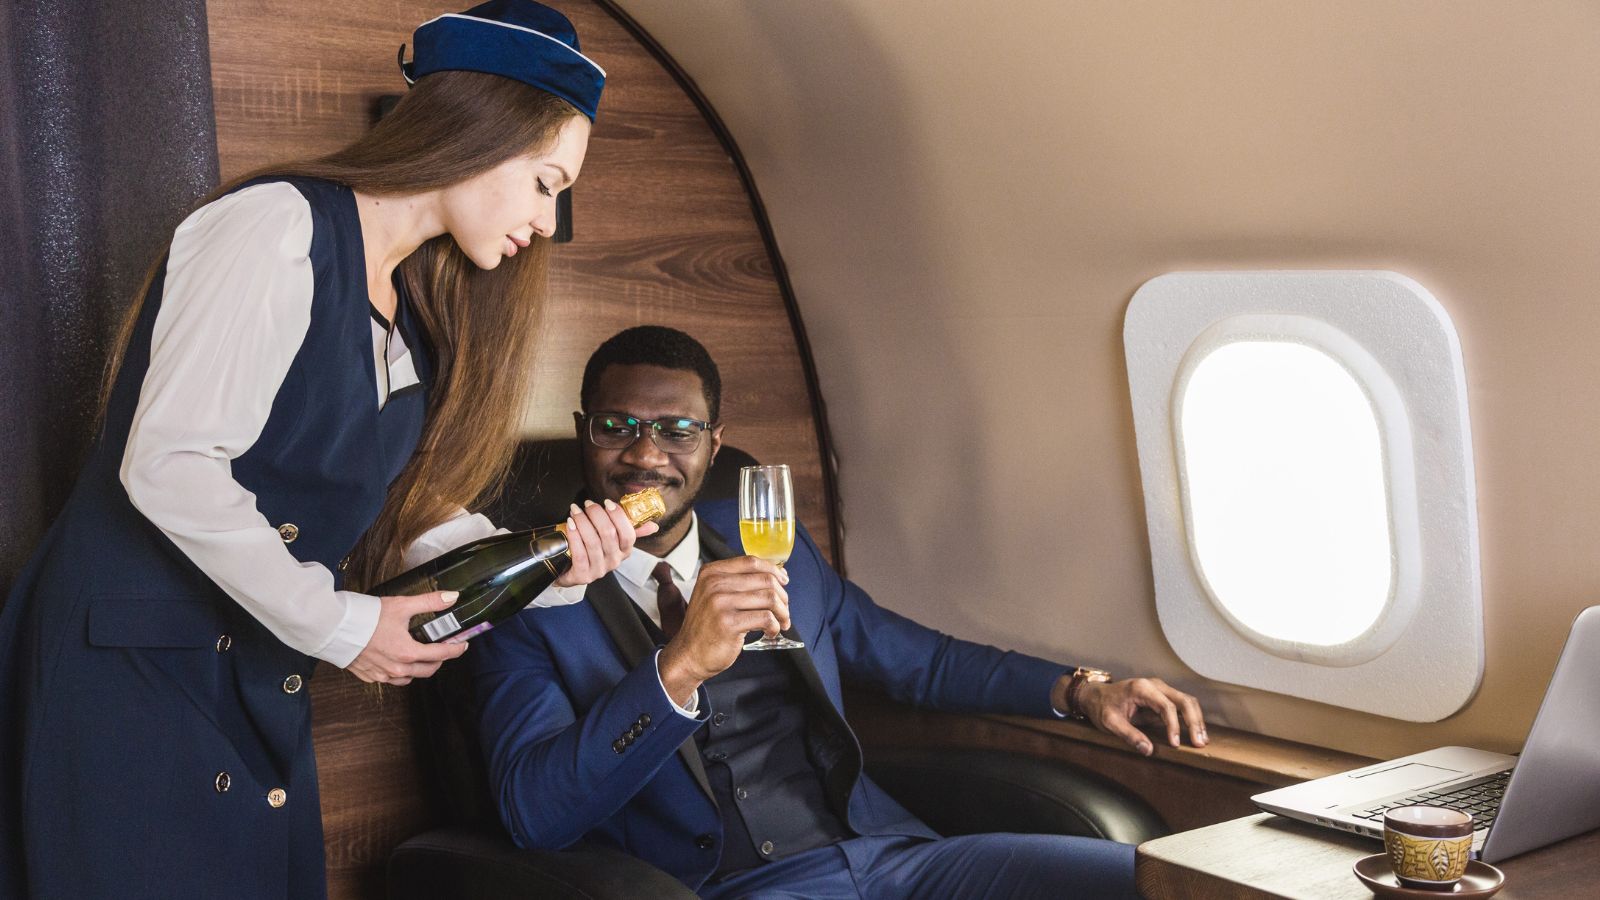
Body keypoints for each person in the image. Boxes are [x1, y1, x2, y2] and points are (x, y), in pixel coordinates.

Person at [0, 3, 655, 898]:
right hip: (129, 674)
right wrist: (345, 627)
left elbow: (399, 517)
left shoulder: (414, 318)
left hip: (251, 677)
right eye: (546, 182)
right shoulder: (276, 226)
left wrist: (556, 573)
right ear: (478, 131)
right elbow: (168, 463)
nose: (548, 220)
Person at [468, 325, 1211, 899]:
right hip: (726, 886)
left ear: (713, 444)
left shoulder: (776, 545)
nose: (645, 455)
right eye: (617, 426)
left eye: (677, 430)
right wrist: (679, 669)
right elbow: (536, 813)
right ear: (583, 433)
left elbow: (921, 661)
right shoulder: (530, 605)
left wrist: (1083, 689)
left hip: (896, 862)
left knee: (1164, 883)